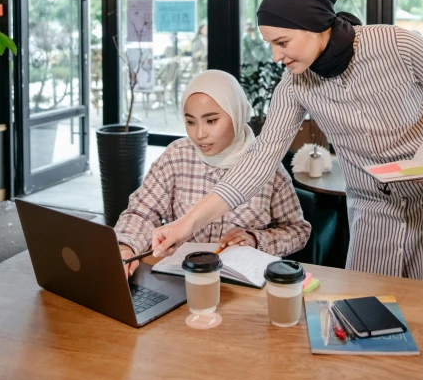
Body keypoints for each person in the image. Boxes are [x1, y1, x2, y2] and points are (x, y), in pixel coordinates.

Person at [151, 0, 423, 287]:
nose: (275, 55)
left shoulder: (397, 45)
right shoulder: (294, 85)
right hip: (375, 199)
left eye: (282, 42)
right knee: (365, 297)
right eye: (270, 44)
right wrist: (186, 224)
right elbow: (258, 161)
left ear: (315, 25)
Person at [116, 69, 310, 277]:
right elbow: (141, 213)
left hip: (242, 288)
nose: (199, 134)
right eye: (190, 122)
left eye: (211, 121)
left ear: (237, 115)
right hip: (183, 280)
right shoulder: (177, 156)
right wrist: (126, 247)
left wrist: (255, 239)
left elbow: (298, 231)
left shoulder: (267, 167)